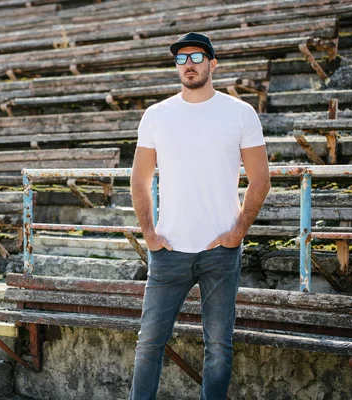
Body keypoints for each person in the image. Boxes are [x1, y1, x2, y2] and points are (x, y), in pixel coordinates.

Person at [128, 32, 271, 400]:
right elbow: (140, 181)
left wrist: (236, 232)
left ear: (212, 63)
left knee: (219, 348)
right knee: (148, 345)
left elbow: (261, 179)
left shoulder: (239, 113)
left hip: (220, 253)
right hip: (168, 253)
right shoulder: (157, 116)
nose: (188, 65)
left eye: (196, 57)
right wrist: (150, 235)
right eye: (180, 59)